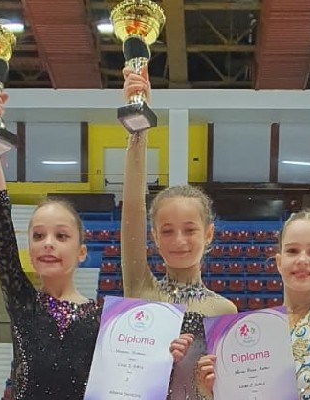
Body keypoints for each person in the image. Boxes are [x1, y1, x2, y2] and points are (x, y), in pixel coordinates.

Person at [0, 83, 192, 400]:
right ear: (29, 251)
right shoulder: (22, 301)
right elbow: (0, 223)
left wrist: (169, 358)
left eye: (61, 235)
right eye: (38, 235)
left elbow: (133, 380)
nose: (48, 243)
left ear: (81, 252)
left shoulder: (106, 319)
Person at [197, 94, 310, 400]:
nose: (303, 260)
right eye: (293, 251)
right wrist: (210, 389)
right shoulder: (254, 333)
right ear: (278, 261)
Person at [121, 67, 237, 399]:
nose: (179, 241)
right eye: (167, 231)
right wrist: (138, 130)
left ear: (209, 234)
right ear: (154, 237)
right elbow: (133, 208)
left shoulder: (225, 312)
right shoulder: (141, 287)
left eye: (190, 230)